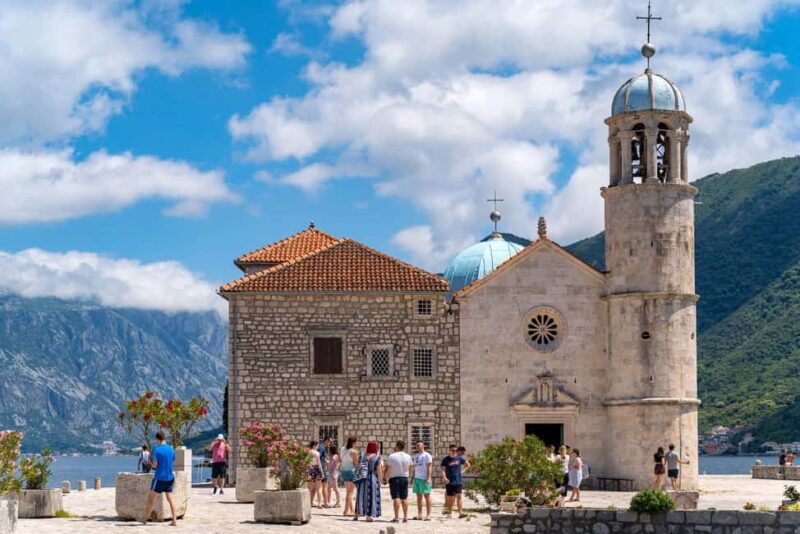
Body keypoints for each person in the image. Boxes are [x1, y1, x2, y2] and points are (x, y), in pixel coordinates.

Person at [142, 431, 177, 526]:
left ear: (157, 439)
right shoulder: (171, 449)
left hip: (159, 478)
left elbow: (155, 465)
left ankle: (144, 519)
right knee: (170, 499)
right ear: (164, 438)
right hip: (170, 477)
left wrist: (151, 460)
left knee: (151, 498)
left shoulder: (157, 450)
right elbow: (172, 460)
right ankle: (174, 520)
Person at [384, 440, 413, 523]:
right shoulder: (408, 456)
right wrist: (409, 475)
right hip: (404, 478)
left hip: (394, 478)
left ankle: (396, 517)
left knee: (396, 497)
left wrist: (384, 477)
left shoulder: (392, 456)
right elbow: (411, 467)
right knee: (404, 498)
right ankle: (405, 517)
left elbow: (388, 468)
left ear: (396, 446)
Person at [353, 441, 383, 522]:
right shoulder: (377, 457)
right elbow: (379, 471)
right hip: (372, 478)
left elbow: (357, 466)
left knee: (360, 495)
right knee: (371, 496)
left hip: (362, 478)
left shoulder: (362, 455)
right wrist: (381, 481)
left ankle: (356, 514)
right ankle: (368, 516)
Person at [441, 443, 471, 518]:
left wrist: (463, 471)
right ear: (449, 450)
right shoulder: (446, 459)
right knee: (451, 497)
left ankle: (460, 513)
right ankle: (450, 513)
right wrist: (444, 477)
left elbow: (468, 465)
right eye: (453, 450)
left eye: (455, 450)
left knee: (459, 496)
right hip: (449, 481)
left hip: (458, 481)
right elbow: (443, 469)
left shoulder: (459, 458)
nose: (454, 451)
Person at [412, 440, 433, 521]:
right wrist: (412, 478)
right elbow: (415, 467)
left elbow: (429, 467)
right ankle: (420, 514)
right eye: (417, 445)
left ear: (423, 445)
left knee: (427, 496)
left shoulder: (427, 455)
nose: (418, 447)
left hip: (424, 478)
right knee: (418, 497)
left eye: (419, 445)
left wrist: (429, 477)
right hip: (417, 478)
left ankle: (428, 515)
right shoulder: (416, 456)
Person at [340, 437, 359, 517]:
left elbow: (341, 459)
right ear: (353, 443)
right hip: (351, 471)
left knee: (348, 492)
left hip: (343, 470)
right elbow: (356, 464)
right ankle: (346, 511)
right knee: (350, 492)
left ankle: (351, 510)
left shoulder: (342, 449)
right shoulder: (353, 452)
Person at [306, 441, 323, 507]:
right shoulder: (317, 453)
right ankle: (319, 503)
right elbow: (319, 464)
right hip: (316, 469)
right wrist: (322, 472)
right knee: (318, 488)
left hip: (309, 469)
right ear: (314, 445)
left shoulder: (308, 452)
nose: (318, 447)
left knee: (309, 488)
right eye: (317, 445)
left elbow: (306, 462)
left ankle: (308, 503)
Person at [318, 437, 331, 507]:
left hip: (322, 468)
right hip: (322, 468)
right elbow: (318, 457)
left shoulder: (322, 447)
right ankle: (326, 502)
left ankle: (323, 502)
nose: (330, 443)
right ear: (326, 440)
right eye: (330, 441)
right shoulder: (322, 447)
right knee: (325, 485)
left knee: (319, 486)